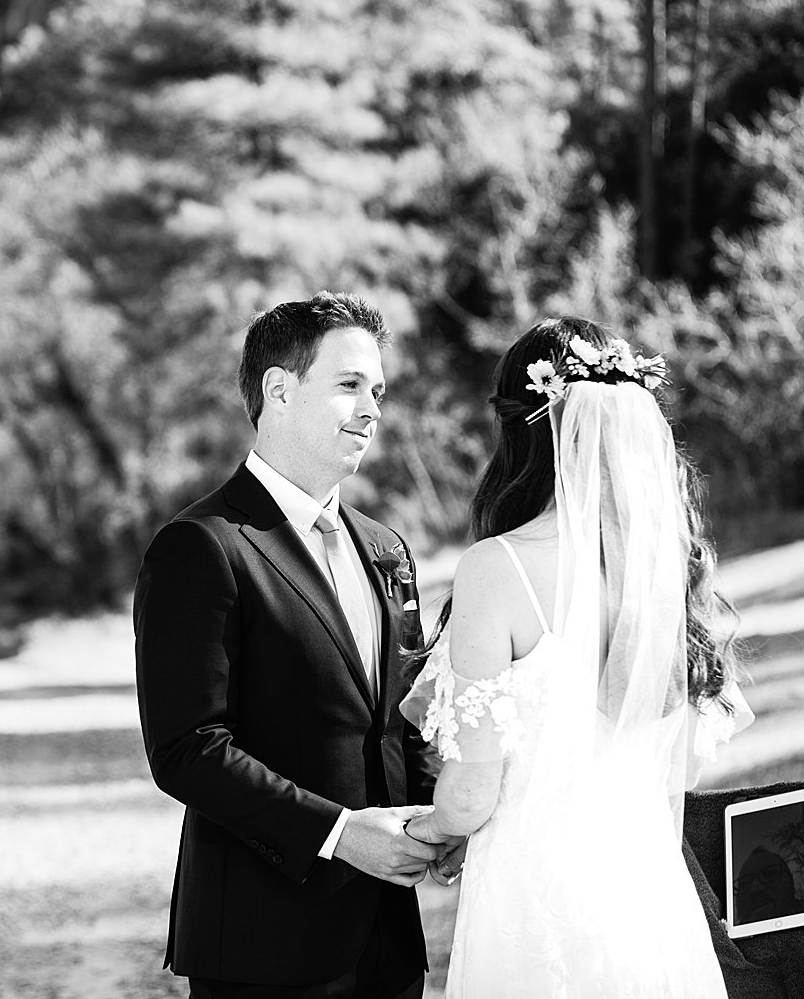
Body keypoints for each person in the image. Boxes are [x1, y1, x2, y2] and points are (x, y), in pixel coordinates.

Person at [399, 316, 752, 998]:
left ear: (522, 431)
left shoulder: (496, 568)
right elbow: (676, 768)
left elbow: (473, 790)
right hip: (648, 893)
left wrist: (430, 829)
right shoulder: (663, 573)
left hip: (532, 898)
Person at [134, 291, 453, 999]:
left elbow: (402, 720)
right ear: (278, 389)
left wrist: (444, 817)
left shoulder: (386, 550)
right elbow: (187, 748)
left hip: (387, 943)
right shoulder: (201, 546)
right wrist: (340, 832)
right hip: (261, 946)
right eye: (348, 385)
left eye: (378, 389)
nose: (372, 408)